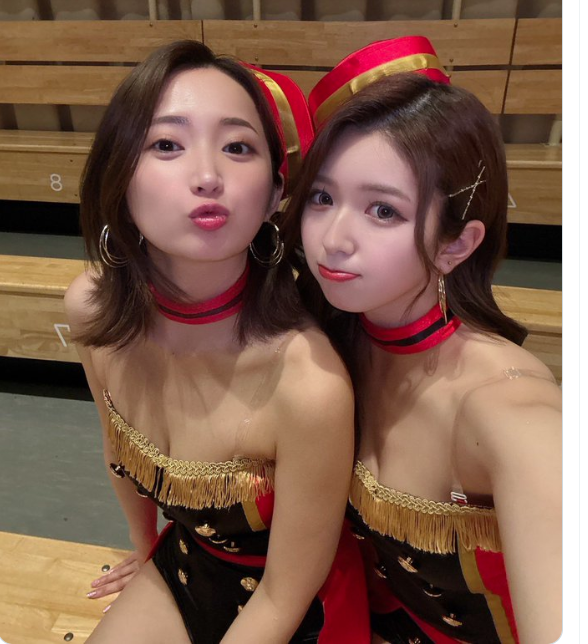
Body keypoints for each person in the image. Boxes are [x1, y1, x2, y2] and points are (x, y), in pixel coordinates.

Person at [65, 40, 370, 643]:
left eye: (237, 147)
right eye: (166, 145)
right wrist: (145, 548)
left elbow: (286, 595)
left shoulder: (309, 383)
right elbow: (115, 446)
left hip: (293, 608)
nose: (207, 177)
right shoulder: (91, 311)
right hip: (186, 564)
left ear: (276, 192)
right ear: (117, 176)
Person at [282, 37, 562, 644]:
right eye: (322, 197)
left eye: (383, 211)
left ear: (456, 244)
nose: (333, 238)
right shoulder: (332, 334)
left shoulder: (510, 412)